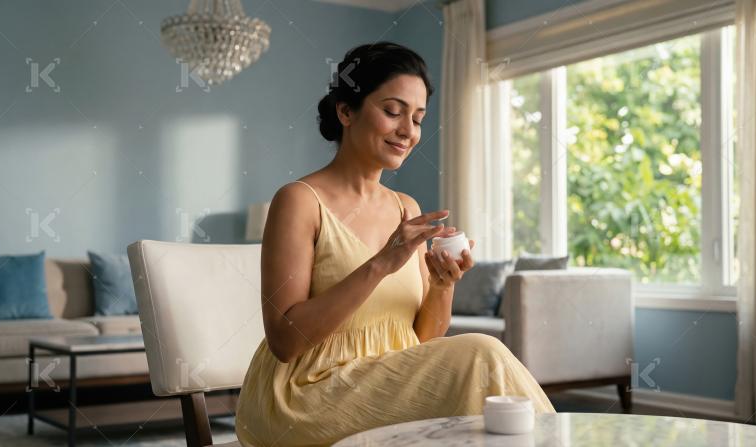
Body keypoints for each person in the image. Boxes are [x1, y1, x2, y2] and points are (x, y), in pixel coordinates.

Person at [234, 41, 554, 447]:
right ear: (346, 111)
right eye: (392, 111)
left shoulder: (407, 208)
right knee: (481, 355)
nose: (408, 131)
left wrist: (442, 285)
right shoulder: (299, 200)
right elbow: (284, 341)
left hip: (385, 385)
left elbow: (423, 344)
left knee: (479, 383)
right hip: (305, 395)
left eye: (418, 119)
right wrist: (380, 264)